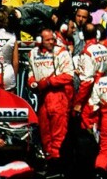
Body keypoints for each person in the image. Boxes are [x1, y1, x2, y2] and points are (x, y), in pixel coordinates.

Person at [29, 28, 75, 165]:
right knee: (45, 132)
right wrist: (32, 83)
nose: (51, 42)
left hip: (57, 95)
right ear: (40, 41)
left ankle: (58, 161)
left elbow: (69, 76)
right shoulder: (33, 53)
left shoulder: (61, 52)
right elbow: (31, 73)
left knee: (58, 132)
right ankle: (49, 159)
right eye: (47, 40)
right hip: (42, 97)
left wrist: (49, 82)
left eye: (52, 39)